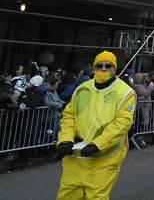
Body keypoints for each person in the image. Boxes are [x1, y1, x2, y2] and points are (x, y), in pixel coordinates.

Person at [55, 51, 135, 199]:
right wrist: (65, 140)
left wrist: (98, 144)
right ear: (93, 68)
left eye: (108, 65)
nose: (104, 69)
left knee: (96, 197)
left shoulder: (125, 92)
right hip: (75, 157)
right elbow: (69, 116)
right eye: (99, 65)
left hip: (104, 158)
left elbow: (122, 123)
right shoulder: (82, 88)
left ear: (115, 68)